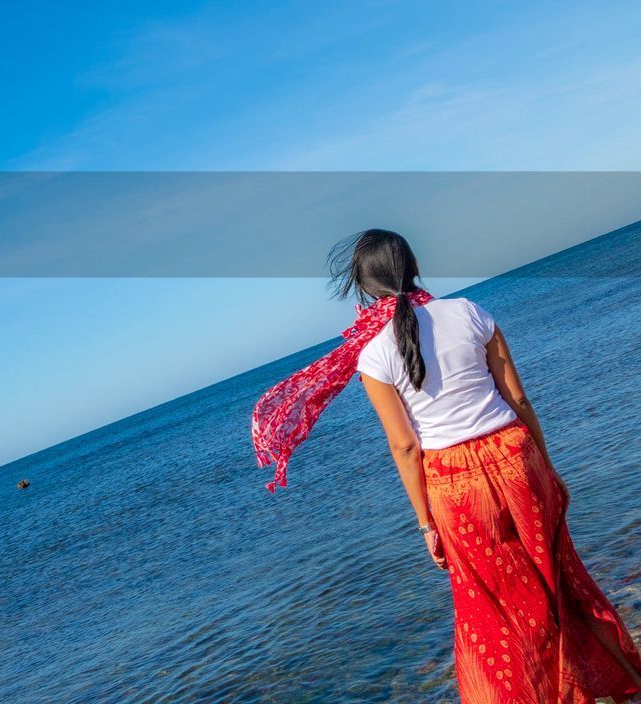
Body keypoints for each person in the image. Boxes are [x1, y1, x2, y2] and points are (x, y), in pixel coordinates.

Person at [251, 228, 641, 704]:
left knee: (491, 608)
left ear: (365, 287)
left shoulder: (373, 356)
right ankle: (618, 681)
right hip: (517, 457)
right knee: (560, 577)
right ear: (412, 265)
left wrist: (425, 524)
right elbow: (515, 396)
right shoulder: (469, 312)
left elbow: (405, 446)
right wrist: (548, 468)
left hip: (454, 485)